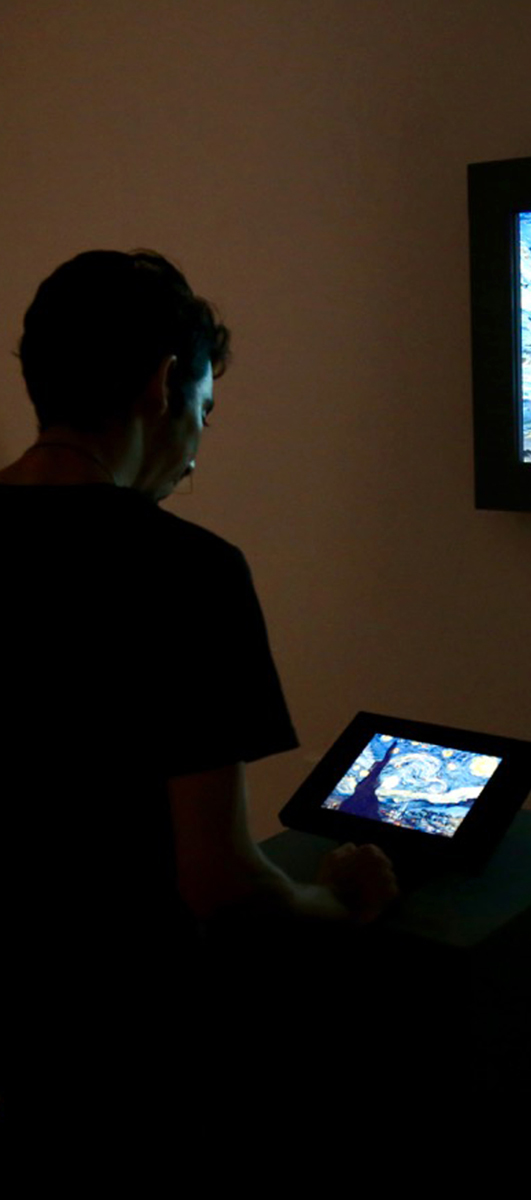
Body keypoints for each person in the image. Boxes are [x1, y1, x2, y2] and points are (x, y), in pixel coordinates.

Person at [0, 250, 397, 1133]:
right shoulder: (189, 573)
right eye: (203, 413)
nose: (191, 462)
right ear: (163, 382)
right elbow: (218, 883)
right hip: (117, 1038)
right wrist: (337, 901)